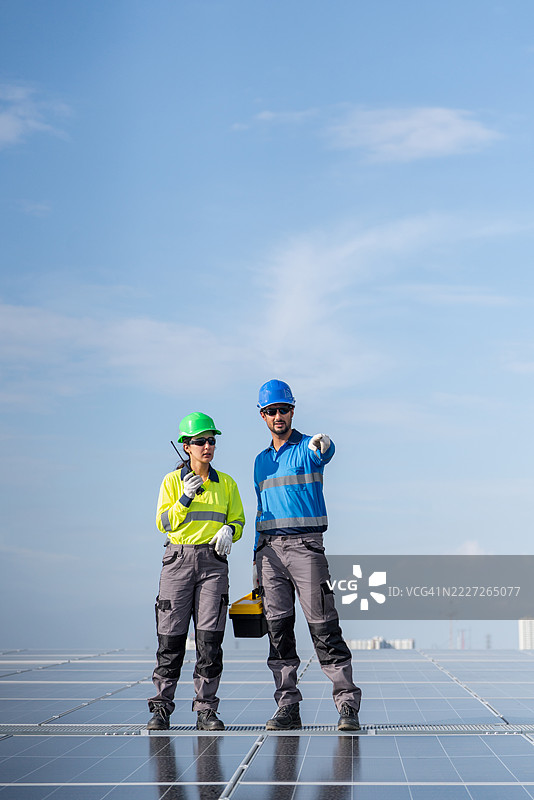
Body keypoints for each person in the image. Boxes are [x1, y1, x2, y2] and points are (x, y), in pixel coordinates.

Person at [253, 380, 361, 731]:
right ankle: (288, 707)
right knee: (279, 631)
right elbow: (262, 510)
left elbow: (325, 452)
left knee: (324, 627)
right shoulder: (260, 462)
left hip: (306, 549)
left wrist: (325, 443)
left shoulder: (307, 448)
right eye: (271, 411)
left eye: (283, 409)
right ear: (262, 415)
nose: (278, 415)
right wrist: (257, 557)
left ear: (293, 411)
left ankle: (347, 705)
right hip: (269, 553)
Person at [147, 412, 245, 731]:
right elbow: (163, 523)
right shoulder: (171, 481)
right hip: (178, 562)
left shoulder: (226, 483)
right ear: (186, 446)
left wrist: (230, 530)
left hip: (213, 563)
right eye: (201, 441)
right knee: (170, 639)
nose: (208, 446)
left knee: (209, 641)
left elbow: (239, 520)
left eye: (211, 441)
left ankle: (206, 709)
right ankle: (161, 708)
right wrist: (185, 498)